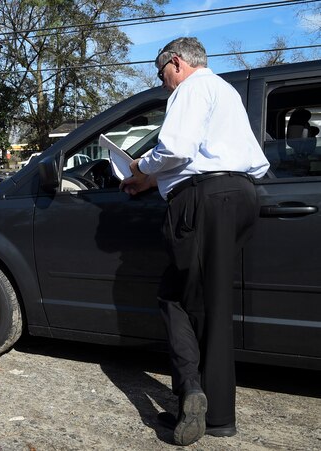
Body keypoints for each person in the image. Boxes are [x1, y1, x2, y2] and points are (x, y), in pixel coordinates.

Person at [120, 37, 270, 446]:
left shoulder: (191, 88)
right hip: (240, 195)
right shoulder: (225, 92)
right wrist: (152, 180)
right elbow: (199, 154)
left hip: (203, 201)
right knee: (210, 301)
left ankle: (193, 393)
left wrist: (140, 165)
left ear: (177, 63)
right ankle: (216, 413)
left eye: (161, 72)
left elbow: (177, 148)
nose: (163, 81)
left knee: (176, 298)